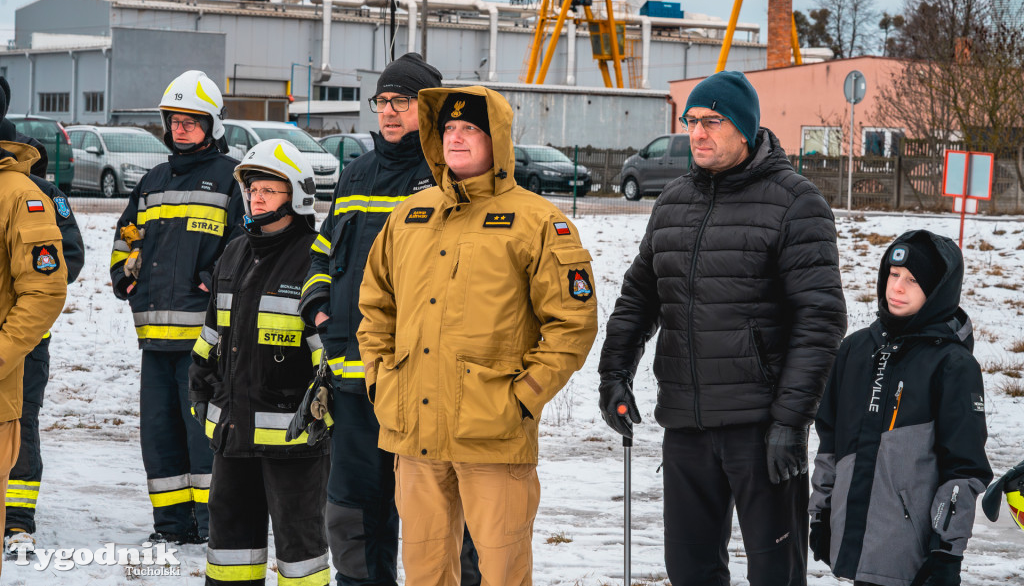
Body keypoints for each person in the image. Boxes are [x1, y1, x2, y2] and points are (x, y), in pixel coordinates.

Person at [598, 70, 847, 586]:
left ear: (746, 129)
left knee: (775, 573)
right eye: (691, 121)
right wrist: (614, 373)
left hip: (760, 429)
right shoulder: (672, 202)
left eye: (713, 121)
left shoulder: (795, 203)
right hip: (686, 424)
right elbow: (640, 296)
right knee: (689, 570)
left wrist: (790, 421)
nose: (698, 133)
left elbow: (820, 320)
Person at [357, 85, 598, 586]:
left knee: (503, 573)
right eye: (448, 129)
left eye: (471, 129)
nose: (457, 139)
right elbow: (376, 307)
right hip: (414, 433)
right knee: (424, 573)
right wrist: (380, 379)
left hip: (494, 435)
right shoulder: (408, 216)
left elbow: (572, 325)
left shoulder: (538, 222)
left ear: (499, 141)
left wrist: (523, 399)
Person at [300, 53, 480, 586]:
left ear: (430, 109)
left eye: (402, 102)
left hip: (427, 382)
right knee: (355, 507)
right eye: (382, 102)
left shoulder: (451, 176)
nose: (389, 112)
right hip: (355, 379)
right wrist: (318, 304)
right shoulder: (356, 173)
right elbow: (322, 252)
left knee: (443, 508)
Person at [809, 230, 992, 586]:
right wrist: (822, 513)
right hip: (857, 539)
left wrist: (946, 550)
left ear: (938, 291)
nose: (897, 287)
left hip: (914, 553)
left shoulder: (952, 364)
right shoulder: (856, 350)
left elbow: (964, 468)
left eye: (912, 280)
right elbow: (830, 441)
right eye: (893, 275)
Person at [110, 70, 244, 544]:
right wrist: (124, 272)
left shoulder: (233, 179)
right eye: (174, 120)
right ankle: (170, 527)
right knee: (160, 440)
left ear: (212, 125)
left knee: (202, 438)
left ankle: (212, 527)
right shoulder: (152, 181)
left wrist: (215, 280)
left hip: (205, 343)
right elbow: (126, 233)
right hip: (155, 340)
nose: (181, 129)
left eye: (192, 120)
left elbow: (244, 246)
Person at [189, 139, 330, 586]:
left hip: (295, 442)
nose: (258, 197)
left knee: (301, 556)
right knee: (229, 554)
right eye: (252, 189)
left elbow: (327, 354)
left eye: (270, 188)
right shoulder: (233, 253)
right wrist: (201, 391)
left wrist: (319, 414)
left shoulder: (314, 257)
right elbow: (211, 337)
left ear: (297, 194)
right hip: (233, 435)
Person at [0, 77, 85, 558]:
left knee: (21, 423)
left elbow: (66, 258)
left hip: (22, 338)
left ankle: (17, 519)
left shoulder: (39, 194)